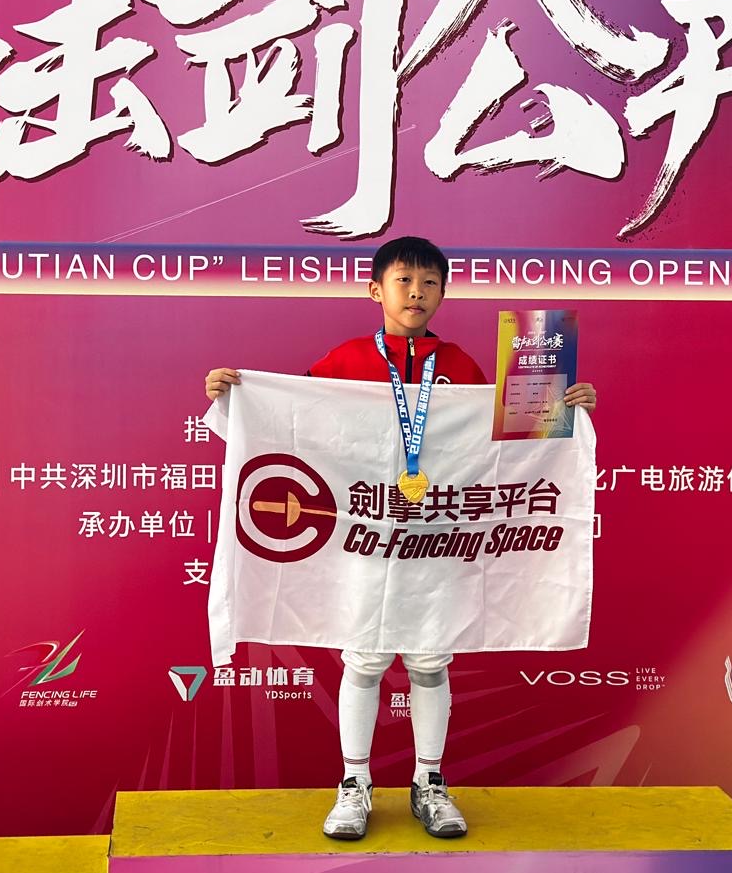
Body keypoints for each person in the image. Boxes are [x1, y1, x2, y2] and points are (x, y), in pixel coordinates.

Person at [204, 236, 597, 841]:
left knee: (430, 658)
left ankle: (429, 782)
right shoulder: (345, 360)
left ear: (443, 293)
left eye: (430, 283)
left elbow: (510, 450)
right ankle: (354, 783)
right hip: (365, 539)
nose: (417, 293)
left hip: (439, 539)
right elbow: (293, 423)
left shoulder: (461, 365)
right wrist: (237, 396)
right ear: (376, 290)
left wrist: (568, 409)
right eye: (403, 281)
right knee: (364, 656)